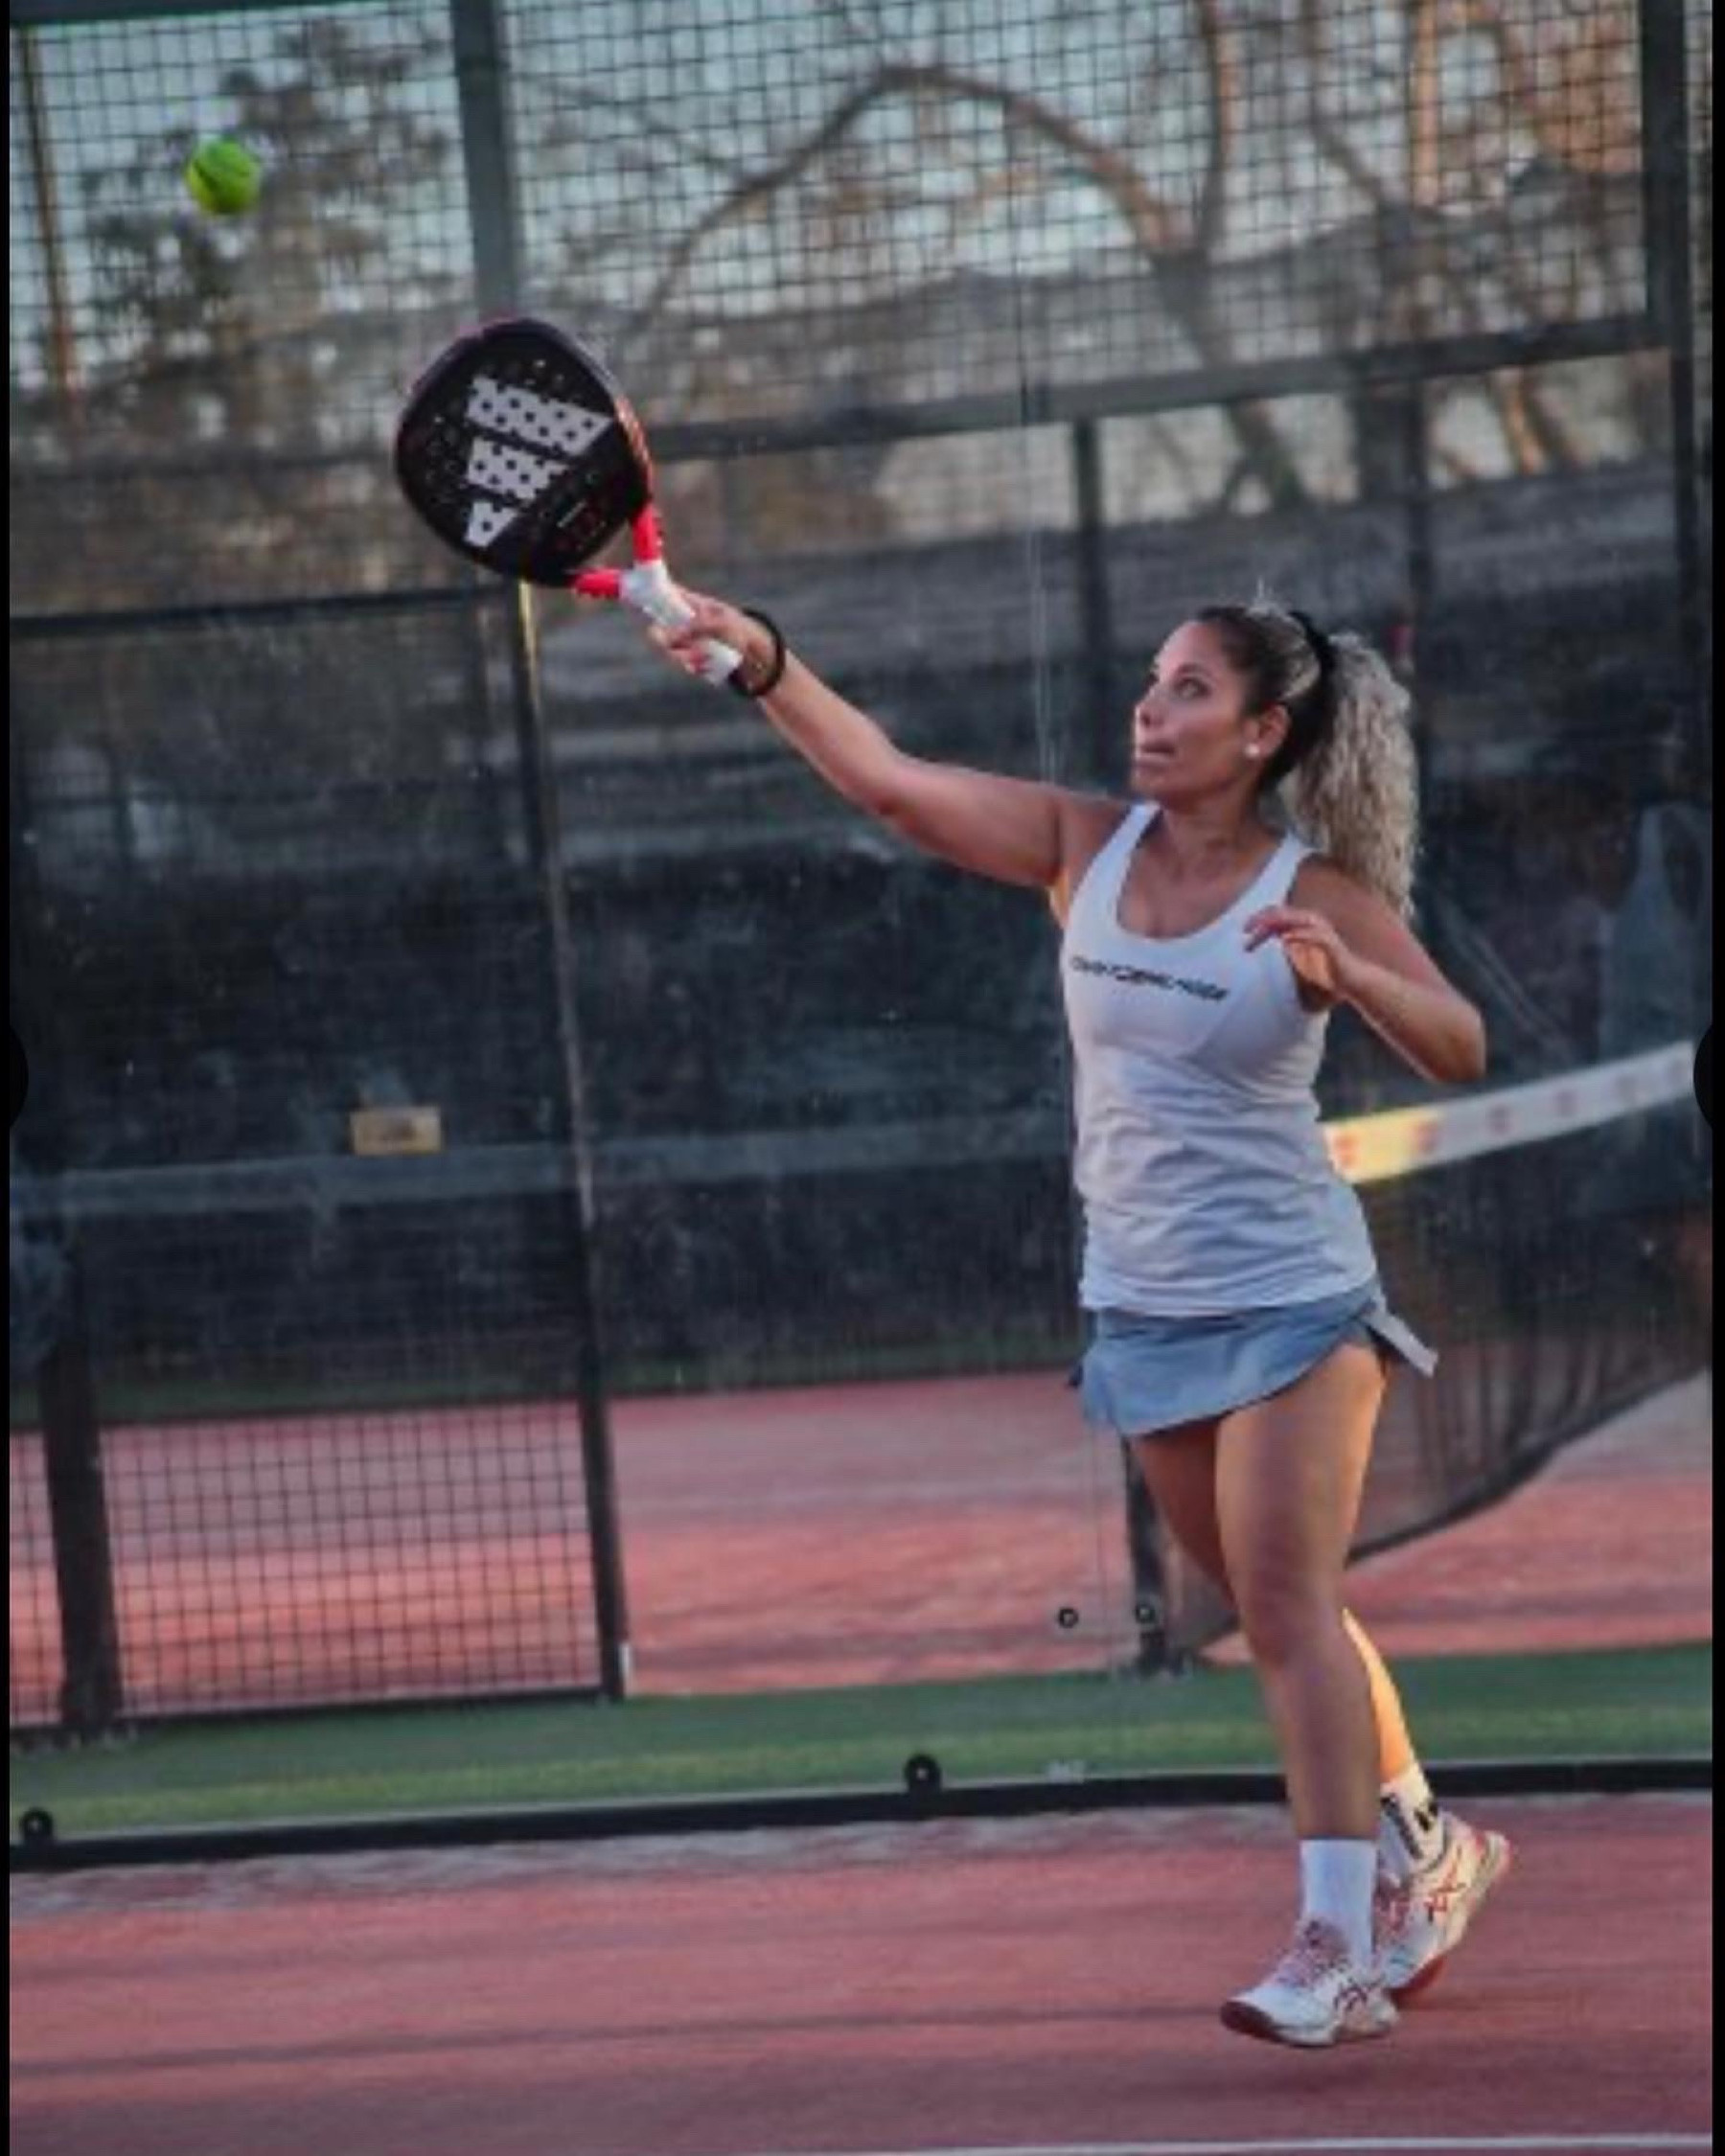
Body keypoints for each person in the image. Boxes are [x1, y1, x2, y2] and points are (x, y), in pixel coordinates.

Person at [641, 586, 1510, 2049]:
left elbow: (1462, 1043)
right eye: (1151, 683)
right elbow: (890, 782)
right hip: (1145, 1311)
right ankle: (1430, 1842)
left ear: (1262, 731)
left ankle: (1336, 1947)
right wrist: (767, 661)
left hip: (1296, 1301)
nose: (1150, 711)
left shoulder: (1315, 887)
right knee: (1275, 1608)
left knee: (1288, 1611)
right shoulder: (1081, 846)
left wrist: (1353, 974)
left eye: (1188, 690)